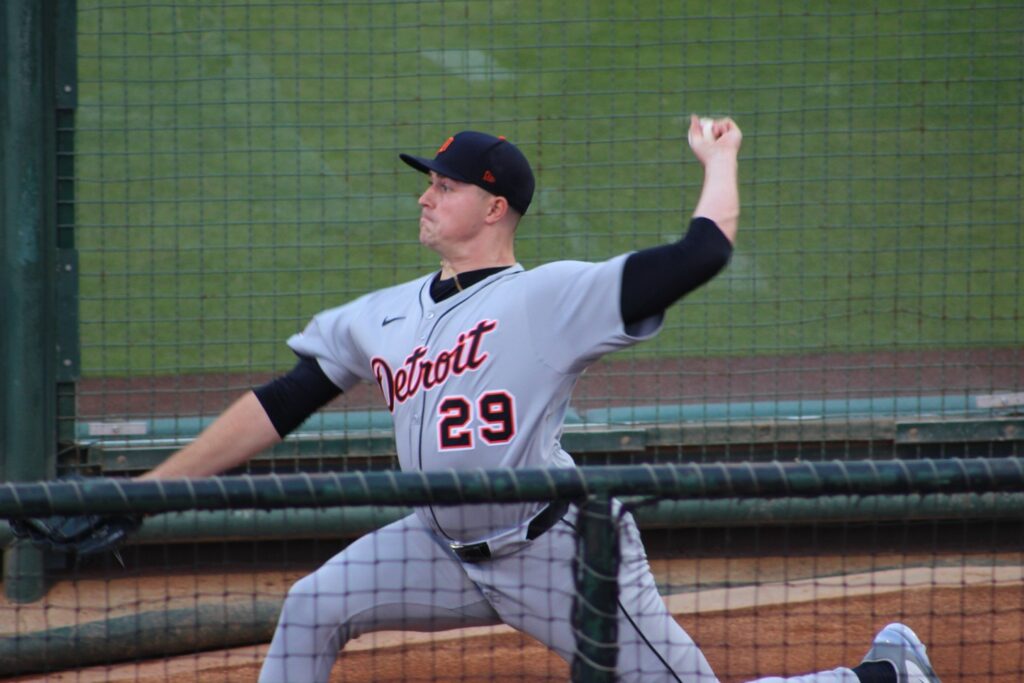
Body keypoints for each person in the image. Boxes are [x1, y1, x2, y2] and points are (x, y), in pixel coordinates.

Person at [139, 119, 941, 682]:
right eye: (427, 181)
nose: (425, 195)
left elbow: (702, 253)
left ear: (493, 206)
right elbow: (282, 400)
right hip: (437, 548)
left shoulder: (550, 299)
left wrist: (718, 159)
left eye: (444, 185)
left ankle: (881, 674)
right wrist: (148, 491)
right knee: (312, 607)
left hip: (561, 556)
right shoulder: (378, 313)